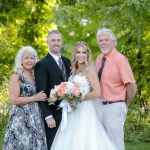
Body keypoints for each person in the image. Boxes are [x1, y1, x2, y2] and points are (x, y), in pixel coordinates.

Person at [50, 41, 118, 150]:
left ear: (87, 54)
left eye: (84, 52)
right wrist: (67, 96)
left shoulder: (89, 69)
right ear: (75, 54)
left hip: (85, 110)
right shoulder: (73, 70)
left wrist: (78, 98)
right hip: (73, 110)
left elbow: (97, 92)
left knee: (85, 137)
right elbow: (70, 88)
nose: (81, 55)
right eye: (78, 52)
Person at [95, 28, 137, 150]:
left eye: (106, 39)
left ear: (113, 41)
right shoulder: (99, 58)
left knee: (115, 143)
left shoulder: (120, 59)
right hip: (98, 106)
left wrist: (125, 104)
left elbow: (131, 86)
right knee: (103, 142)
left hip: (114, 107)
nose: (103, 42)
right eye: (100, 40)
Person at [3, 46, 48, 150]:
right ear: (21, 60)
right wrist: (34, 98)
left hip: (36, 118)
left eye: (32, 58)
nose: (29, 60)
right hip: (21, 119)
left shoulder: (36, 76)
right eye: (26, 58)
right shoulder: (17, 76)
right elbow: (14, 99)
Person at [34, 30, 71, 149]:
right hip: (53, 117)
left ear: (62, 42)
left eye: (58, 40)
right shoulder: (42, 64)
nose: (56, 43)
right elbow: (41, 93)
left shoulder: (67, 61)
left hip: (69, 114)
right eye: (53, 40)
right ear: (47, 42)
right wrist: (48, 116)